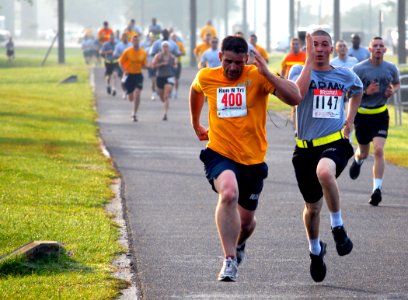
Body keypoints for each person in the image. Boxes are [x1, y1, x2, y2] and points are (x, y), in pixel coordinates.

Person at [189, 36, 302, 282]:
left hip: (252, 160)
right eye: (228, 61)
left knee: (247, 222)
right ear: (220, 57)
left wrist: (268, 74)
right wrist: (196, 122)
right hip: (219, 152)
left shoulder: (258, 76)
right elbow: (195, 89)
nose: (232, 68)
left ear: (246, 60)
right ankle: (229, 261)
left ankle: (239, 245)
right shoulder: (207, 76)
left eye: (238, 63)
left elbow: (295, 98)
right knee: (228, 192)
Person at [289, 30, 363, 283]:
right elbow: (296, 95)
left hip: (335, 142)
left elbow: (358, 91)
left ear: (331, 49)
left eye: (324, 45)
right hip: (304, 149)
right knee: (311, 209)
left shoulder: (344, 75)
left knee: (324, 172)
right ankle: (315, 251)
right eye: (314, 45)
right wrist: (308, 61)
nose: (319, 49)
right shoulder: (298, 71)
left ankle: (338, 226)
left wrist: (349, 120)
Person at [349, 36, 400, 206]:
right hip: (362, 115)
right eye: (375, 46)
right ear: (369, 49)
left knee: (378, 150)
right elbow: (349, 93)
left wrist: (391, 91)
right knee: (364, 152)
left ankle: (376, 190)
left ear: (385, 50)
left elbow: (397, 83)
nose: (378, 48)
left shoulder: (390, 68)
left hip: (380, 114)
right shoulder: (358, 69)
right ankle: (358, 160)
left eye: (381, 46)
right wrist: (366, 92)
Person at [119, 34, 148, 122]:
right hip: (129, 75)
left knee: (137, 93)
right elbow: (120, 62)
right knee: (131, 98)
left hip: (138, 75)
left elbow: (143, 65)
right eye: (134, 40)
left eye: (138, 40)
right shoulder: (127, 51)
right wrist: (124, 70)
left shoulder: (143, 52)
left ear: (139, 42)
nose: (136, 42)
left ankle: (134, 113)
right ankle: (127, 92)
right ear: (131, 42)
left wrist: (150, 66)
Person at [152, 41, 177, 121]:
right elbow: (153, 65)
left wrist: (175, 65)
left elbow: (175, 65)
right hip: (160, 77)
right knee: (161, 96)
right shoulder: (158, 56)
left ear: (169, 48)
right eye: (164, 46)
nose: (165, 48)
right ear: (161, 48)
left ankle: (165, 113)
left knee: (166, 96)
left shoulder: (172, 57)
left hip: (169, 77)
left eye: (167, 47)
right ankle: (163, 99)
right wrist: (161, 64)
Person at [113, 32, 132, 99]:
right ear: (121, 38)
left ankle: (128, 91)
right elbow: (115, 55)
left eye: (126, 37)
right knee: (123, 80)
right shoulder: (118, 46)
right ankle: (124, 91)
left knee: (128, 79)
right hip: (120, 64)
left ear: (128, 38)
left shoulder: (131, 45)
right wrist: (122, 56)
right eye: (123, 37)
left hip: (129, 65)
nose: (125, 38)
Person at [170, 32, 185, 99]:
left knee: (176, 78)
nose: (173, 38)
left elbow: (184, 53)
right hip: (169, 63)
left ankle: (175, 92)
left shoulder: (180, 44)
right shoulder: (168, 44)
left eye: (174, 37)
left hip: (178, 62)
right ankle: (170, 91)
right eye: (172, 37)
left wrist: (178, 53)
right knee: (170, 78)